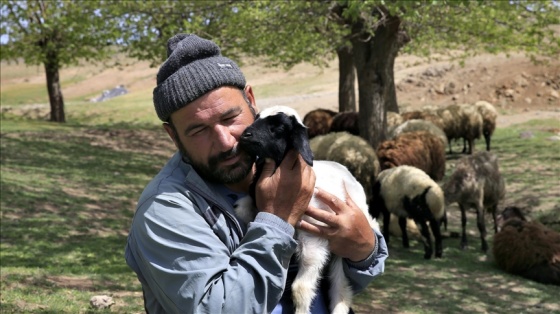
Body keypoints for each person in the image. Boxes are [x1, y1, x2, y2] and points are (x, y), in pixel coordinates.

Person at [125, 33, 388, 314]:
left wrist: (365, 251)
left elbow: (342, 277)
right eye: (199, 130)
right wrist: (277, 220)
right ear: (173, 135)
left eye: (229, 118)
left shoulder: (282, 167)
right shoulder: (165, 211)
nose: (226, 142)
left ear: (250, 99)